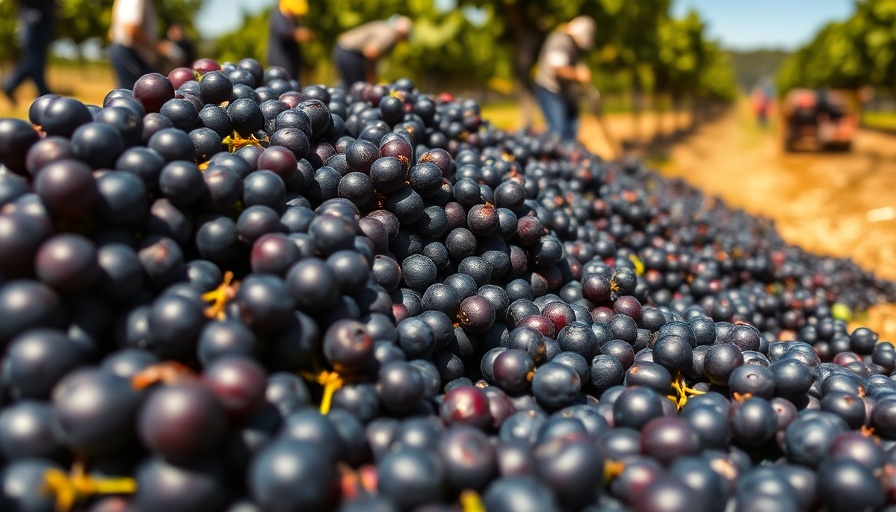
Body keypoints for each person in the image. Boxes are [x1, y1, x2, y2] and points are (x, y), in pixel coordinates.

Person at [532, 15, 596, 141]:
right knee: (558, 129)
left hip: (563, 92)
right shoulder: (560, 39)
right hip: (549, 89)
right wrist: (578, 75)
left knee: (571, 128)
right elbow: (557, 69)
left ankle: (568, 157)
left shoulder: (573, 46)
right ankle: (553, 158)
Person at [108, 0, 180, 89]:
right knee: (136, 98)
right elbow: (131, 28)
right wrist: (159, 47)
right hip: (132, 55)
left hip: (134, 56)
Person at [2, 0, 57, 106]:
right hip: (33, 13)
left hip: (44, 13)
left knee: (38, 57)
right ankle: (12, 84)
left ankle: (42, 90)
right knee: (34, 57)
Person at [333, 15, 412, 87]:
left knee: (355, 86)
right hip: (349, 52)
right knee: (357, 87)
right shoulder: (390, 33)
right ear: (402, 33)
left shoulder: (384, 26)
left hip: (346, 50)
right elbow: (370, 52)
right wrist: (371, 78)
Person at [268, 0, 314, 84]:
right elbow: (284, 32)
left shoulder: (293, 19)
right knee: (282, 86)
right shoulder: (278, 16)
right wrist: (301, 34)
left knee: (293, 86)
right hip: (281, 63)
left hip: (292, 63)